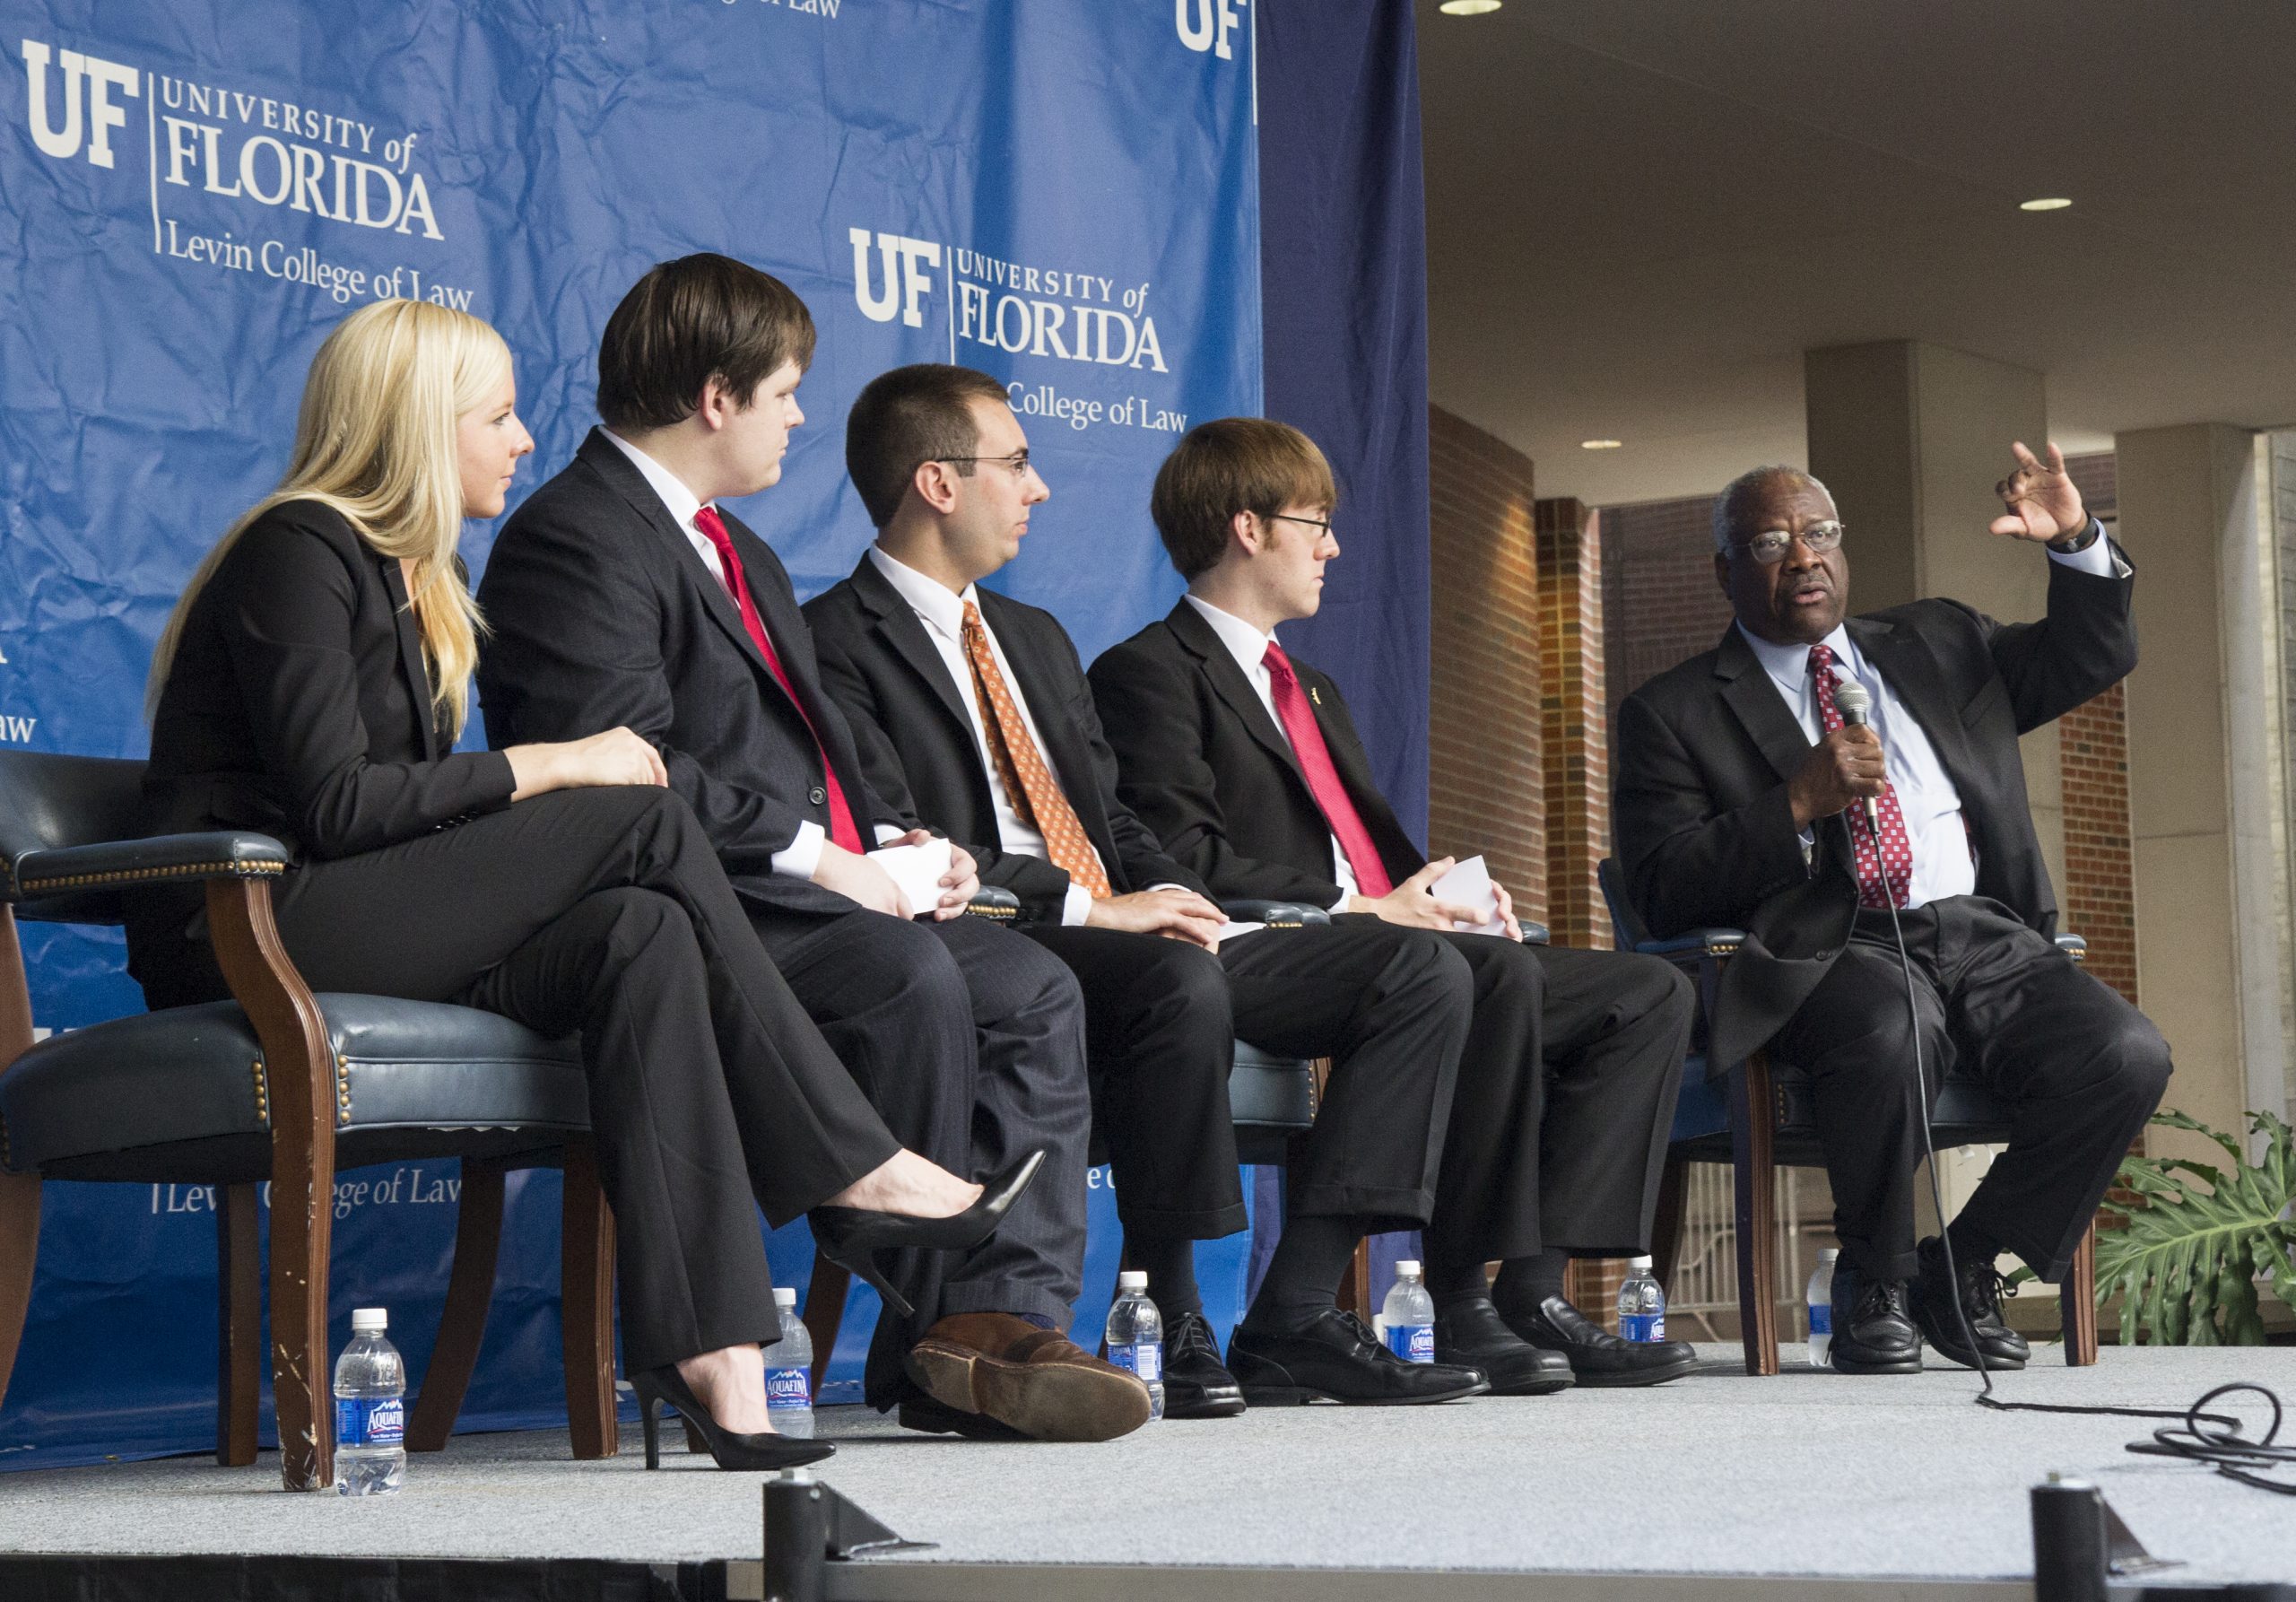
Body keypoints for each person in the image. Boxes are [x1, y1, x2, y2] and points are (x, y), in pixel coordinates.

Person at [126, 298, 1039, 1472]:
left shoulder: (421, 573)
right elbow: (340, 806)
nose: (521, 439)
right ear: (417, 422)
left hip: (358, 907)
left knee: (642, 933)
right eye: (497, 415)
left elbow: (401, 809)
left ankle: (714, 1354)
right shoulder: (298, 547)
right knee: (639, 810)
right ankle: (852, 1157)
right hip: (249, 922)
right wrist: (560, 760)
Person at [475, 257, 1142, 1442]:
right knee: (908, 975)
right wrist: (832, 865)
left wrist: (896, 844)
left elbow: (818, 754)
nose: (799, 419)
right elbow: (637, 769)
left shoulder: (747, 553)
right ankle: (954, 1335)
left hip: (795, 891)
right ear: (718, 396)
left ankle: (995, 1323)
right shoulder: (574, 536)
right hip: (694, 904)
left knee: (1035, 988)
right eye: (786, 392)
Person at [806, 365, 1499, 1408]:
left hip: (1122, 921)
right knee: (1173, 986)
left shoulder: (1032, 637)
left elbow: (1112, 818)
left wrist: (1181, 896)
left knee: (1417, 968)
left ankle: (1297, 1306)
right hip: (995, 930)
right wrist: (1093, 907)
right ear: (939, 484)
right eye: (1017, 464)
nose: (1038, 489)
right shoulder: (830, 642)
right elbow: (902, 838)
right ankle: (1172, 1312)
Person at [1089, 417, 1700, 1389]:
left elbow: (1368, 850)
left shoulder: (1314, 689)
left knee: (1647, 992)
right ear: (1248, 527)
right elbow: (1186, 856)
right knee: (1465, 969)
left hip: (1369, 940)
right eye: (1314, 522)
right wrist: (1369, 907)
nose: (1331, 546)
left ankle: (1525, 1288)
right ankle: (1327, 1304)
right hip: (1250, 945)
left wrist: (1446, 894)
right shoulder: (1148, 672)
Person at [1610, 448, 2172, 1374]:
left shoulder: (1939, 642)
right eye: (1769, 541)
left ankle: (1962, 1263)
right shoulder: (1671, 713)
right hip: (1834, 947)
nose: (1803, 557)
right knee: (1889, 1027)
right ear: (1724, 570)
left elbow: (2093, 652)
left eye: (1820, 534)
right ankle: (1870, 1279)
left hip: (1987, 934)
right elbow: (1661, 885)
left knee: (2125, 1054)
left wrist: (2074, 541)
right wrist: (1791, 804)